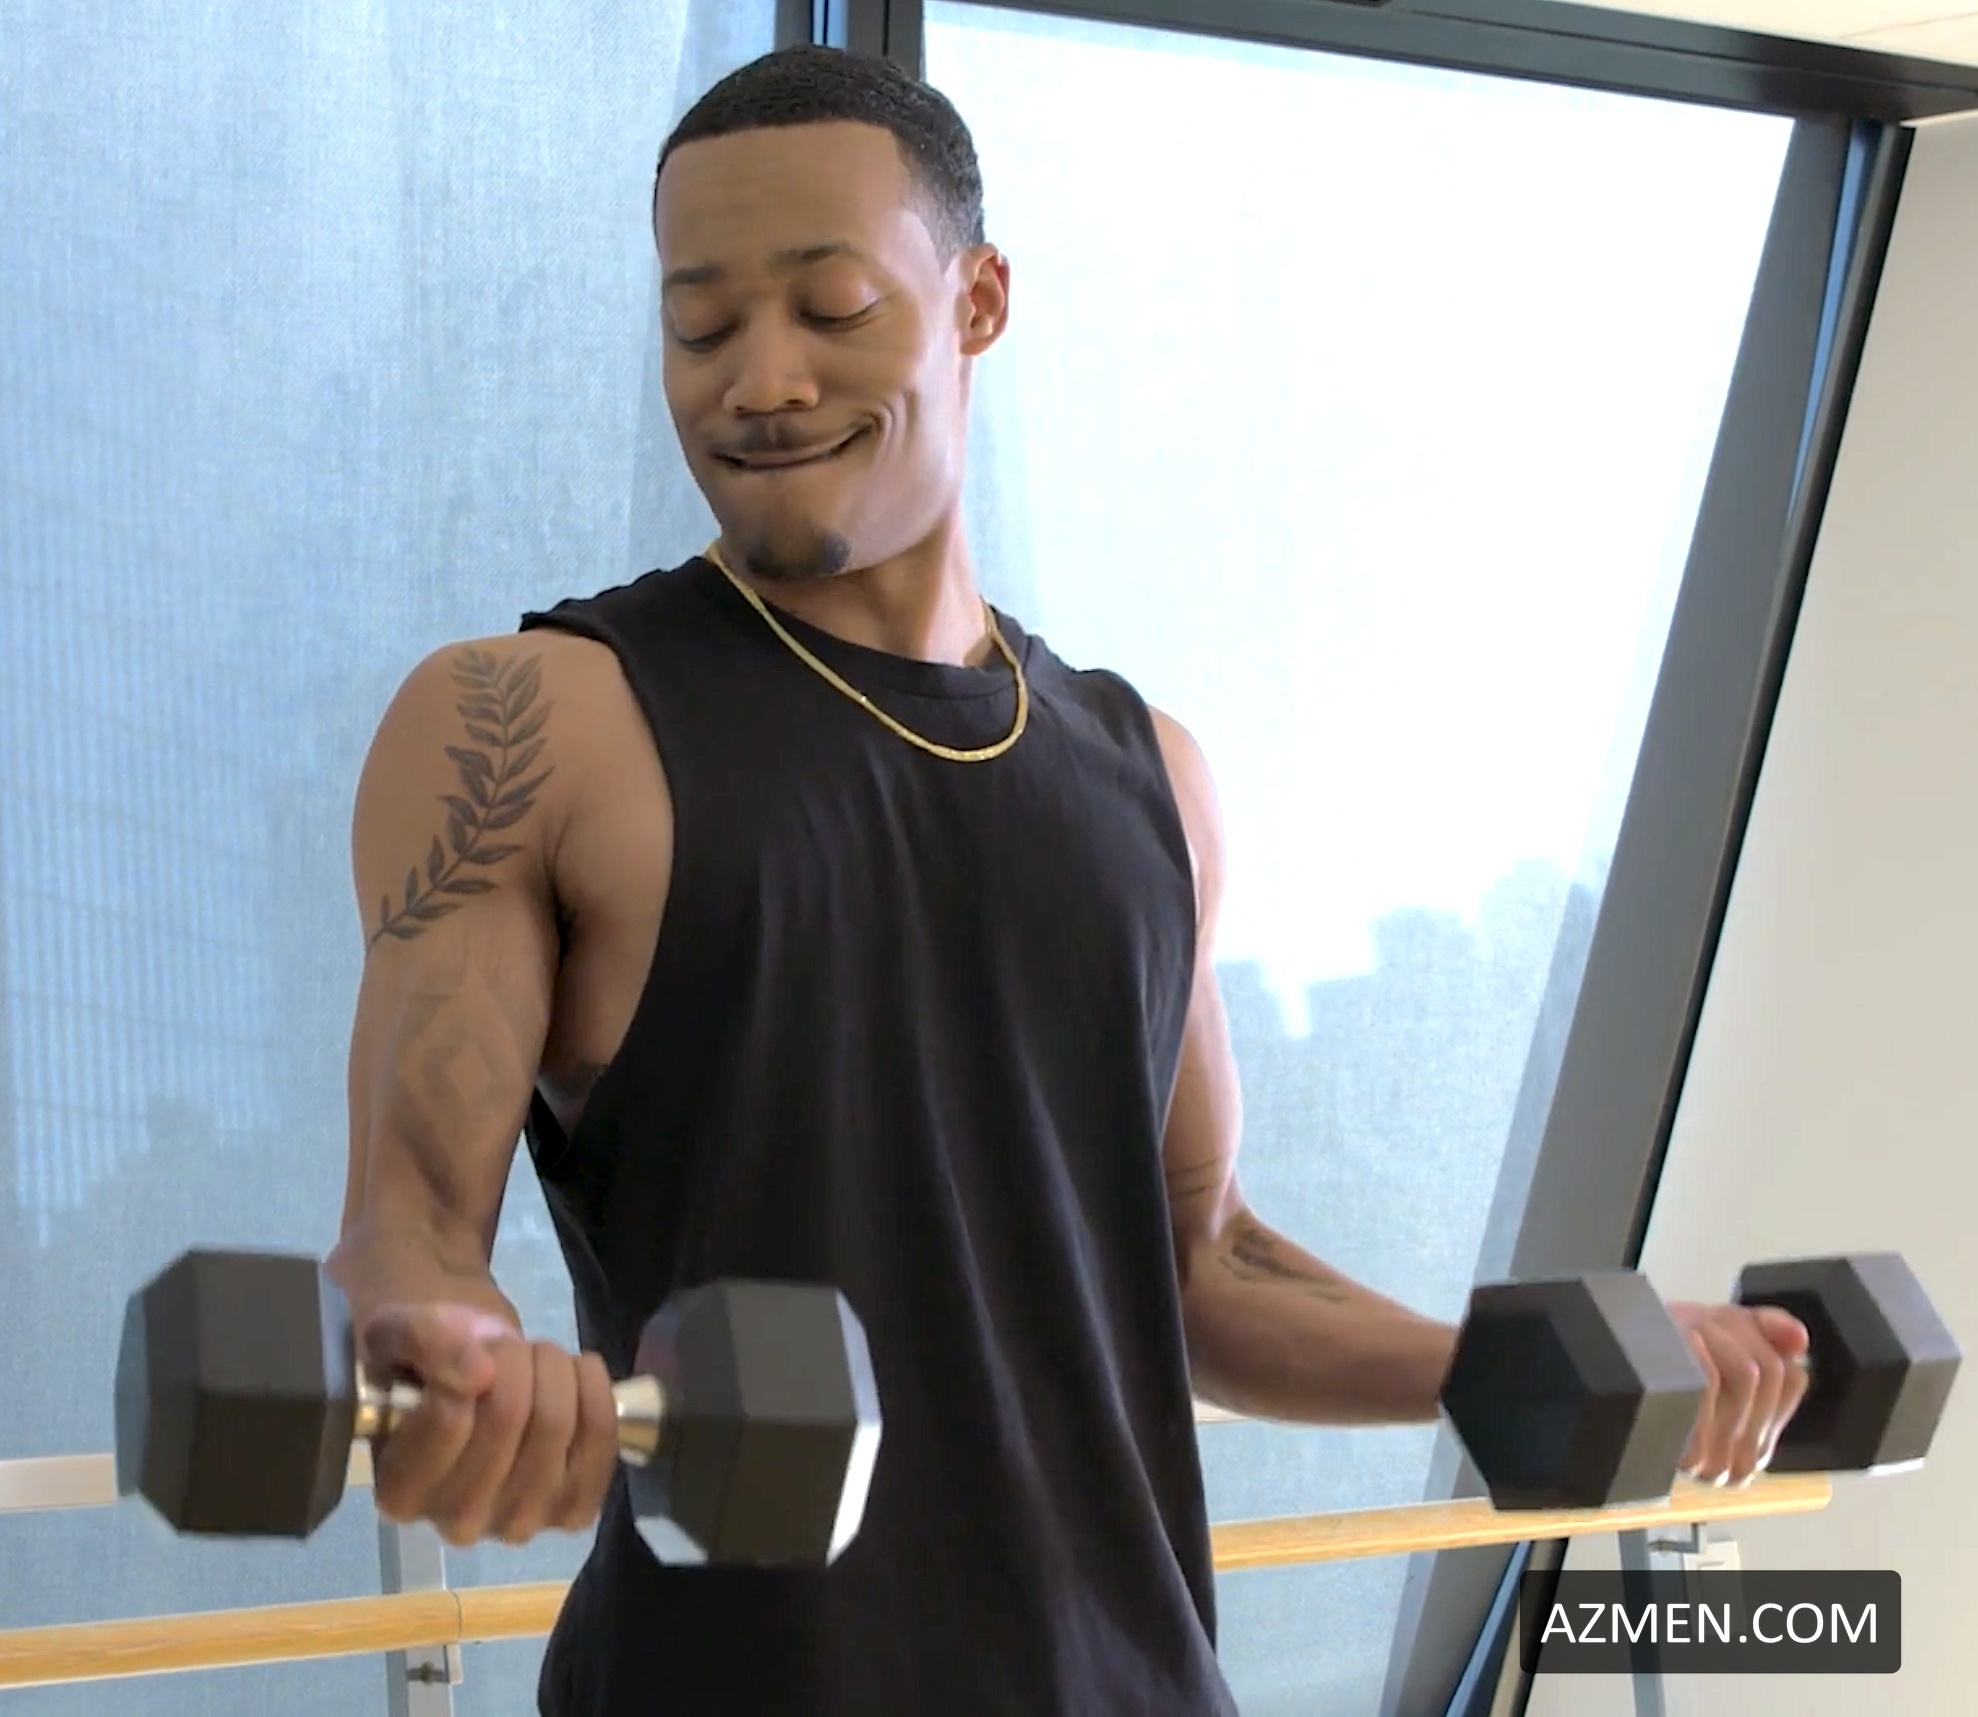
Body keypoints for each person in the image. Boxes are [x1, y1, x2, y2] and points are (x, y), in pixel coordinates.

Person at [325, 42, 1811, 1717]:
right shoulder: (528, 728)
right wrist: (449, 1355)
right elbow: (405, 1229)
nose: (761, 380)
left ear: (976, 302)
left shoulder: (1147, 775)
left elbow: (1196, 1260)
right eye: (700, 325)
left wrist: (1538, 1362)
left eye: (829, 307)